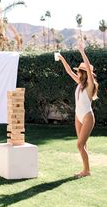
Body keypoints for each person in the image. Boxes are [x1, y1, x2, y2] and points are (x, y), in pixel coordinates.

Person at [58, 42, 98, 178]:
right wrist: (62, 58)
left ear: (84, 73)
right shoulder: (80, 84)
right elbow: (69, 71)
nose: (77, 72)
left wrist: (82, 51)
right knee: (83, 145)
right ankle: (85, 169)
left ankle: (86, 171)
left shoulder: (90, 85)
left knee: (79, 145)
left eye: (79, 71)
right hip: (78, 116)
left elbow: (88, 68)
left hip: (87, 117)